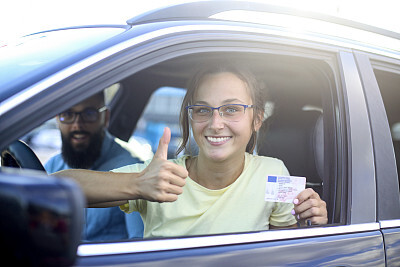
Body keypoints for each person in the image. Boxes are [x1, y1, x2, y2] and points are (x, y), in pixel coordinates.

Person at [55, 64, 327, 238]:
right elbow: (58, 187)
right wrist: (137, 184)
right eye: (202, 110)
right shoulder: (160, 176)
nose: (215, 123)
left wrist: (312, 223)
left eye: (231, 109)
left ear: (256, 120)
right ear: (189, 118)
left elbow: (286, 251)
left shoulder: (273, 172)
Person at [45, 92, 144, 241]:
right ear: (57, 119)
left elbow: (139, 245)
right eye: (67, 114)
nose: (77, 125)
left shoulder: (132, 170)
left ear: (106, 118)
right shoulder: (53, 166)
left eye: (89, 113)